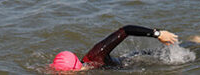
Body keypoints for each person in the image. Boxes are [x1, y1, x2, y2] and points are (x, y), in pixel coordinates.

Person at [50, 25, 178, 71]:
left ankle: (196, 40)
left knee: (188, 51)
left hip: (140, 60)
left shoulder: (95, 56)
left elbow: (126, 30)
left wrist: (158, 34)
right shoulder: (86, 68)